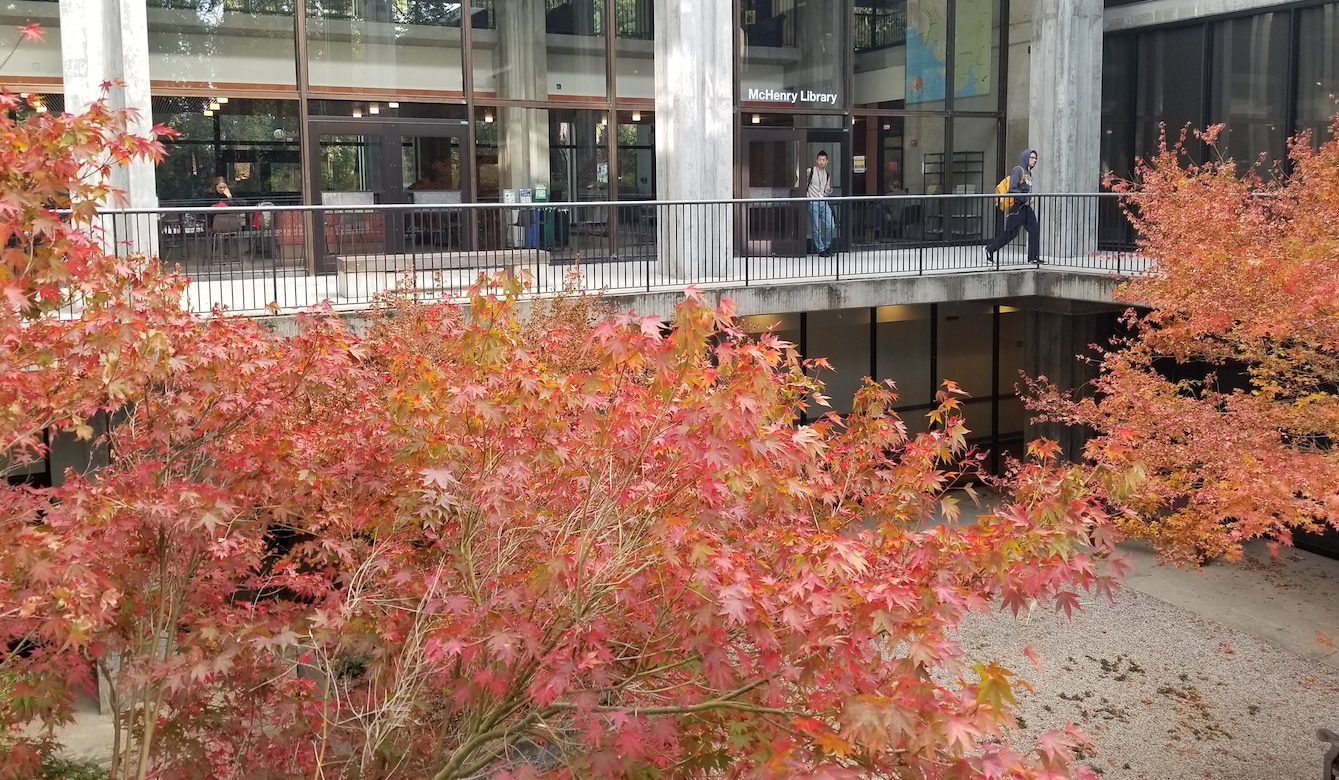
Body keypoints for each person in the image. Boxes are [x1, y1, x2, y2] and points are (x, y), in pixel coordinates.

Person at [985, 149, 1040, 264]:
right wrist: (1025, 199)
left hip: (1025, 207)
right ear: (1025, 158)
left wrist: (1029, 199)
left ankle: (1033, 258)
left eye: (1035, 158)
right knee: (1010, 233)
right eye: (1032, 158)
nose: (1034, 160)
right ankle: (989, 249)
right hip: (1016, 207)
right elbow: (1012, 189)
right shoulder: (1018, 170)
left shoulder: (1028, 174)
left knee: (1034, 229)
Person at [804, 151, 835, 257]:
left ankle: (826, 246)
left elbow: (826, 190)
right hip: (812, 202)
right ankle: (821, 249)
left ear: (827, 161)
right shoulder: (810, 171)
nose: (821, 162)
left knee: (830, 225)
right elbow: (800, 182)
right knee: (816, 228)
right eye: (820, 160)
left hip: (824, 202)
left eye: (823, 160)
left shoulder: (827, 175)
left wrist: (829, 190)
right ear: (817, 160)